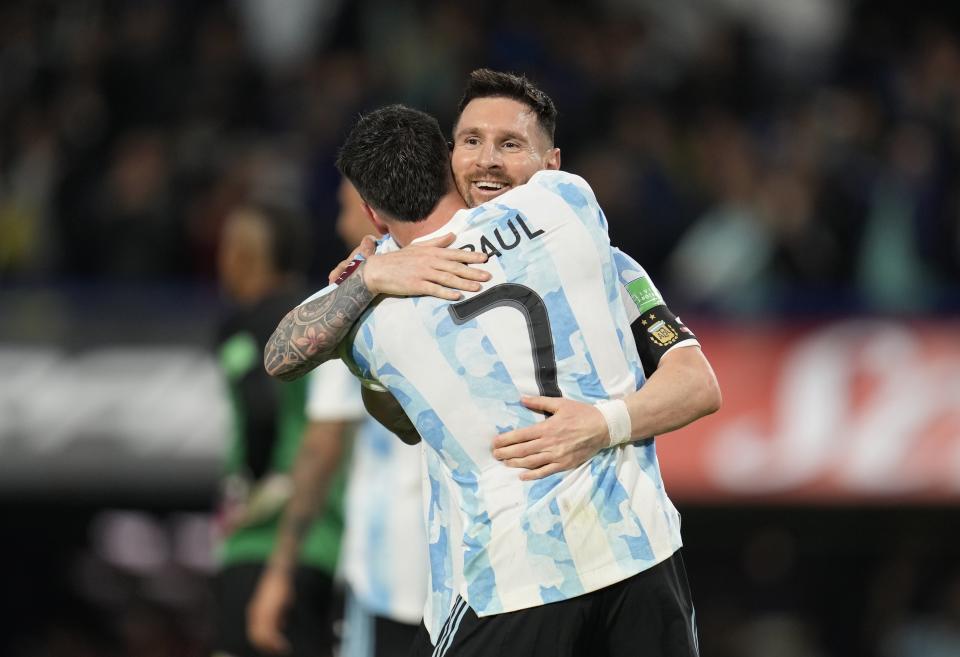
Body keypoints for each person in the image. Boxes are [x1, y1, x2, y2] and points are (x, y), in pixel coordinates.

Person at [264, 104, 721, 656]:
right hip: (641, 547)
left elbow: (283, 353)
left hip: (518, 575)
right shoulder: (568, 204)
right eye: (472, 142)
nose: (487, 160)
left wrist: (371, 277)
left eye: (507, 145)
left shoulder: (371, 316)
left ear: (371, 211)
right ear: (448, 162)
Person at [247, 181, 428, 657]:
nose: (338, 223)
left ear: (374, 215)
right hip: (464, 572)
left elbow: (323, 444)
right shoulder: (462, 272)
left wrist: (280, 571)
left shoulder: (350, 303)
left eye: (347, 208)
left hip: (388, 571)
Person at [213, 201, 345, 657]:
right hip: (325, 537)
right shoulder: (317, 318)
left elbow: (260, 407)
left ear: (244, 255)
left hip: (263, 539)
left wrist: (249, 488)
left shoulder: (243, 328)